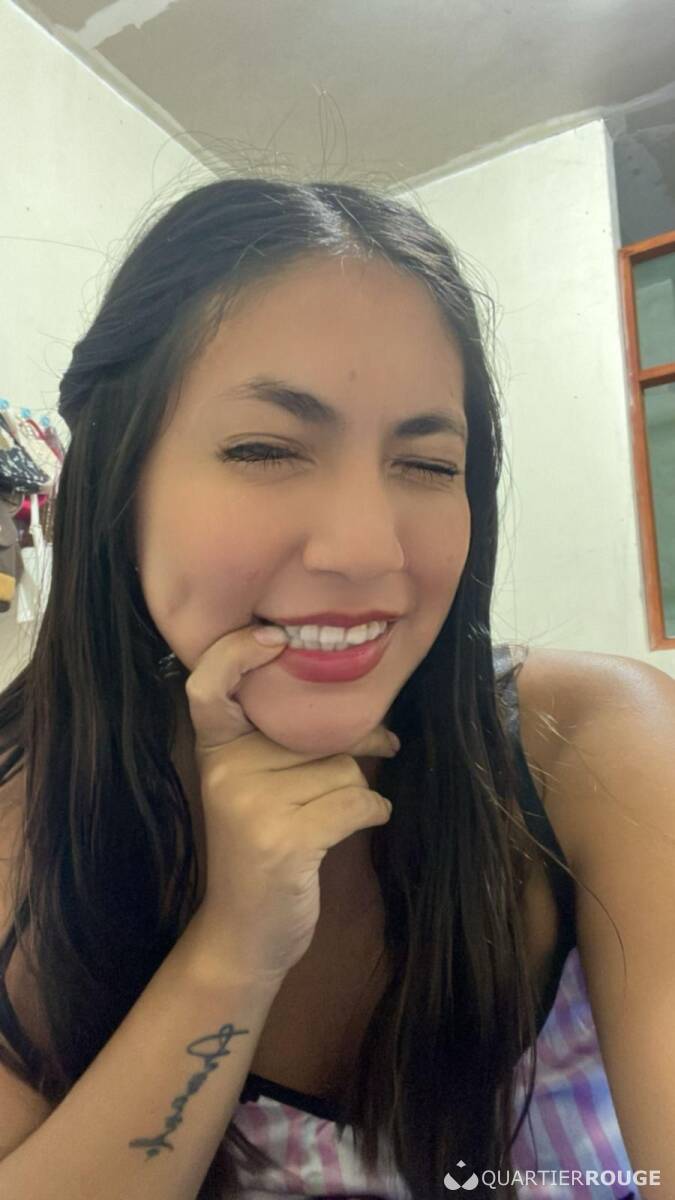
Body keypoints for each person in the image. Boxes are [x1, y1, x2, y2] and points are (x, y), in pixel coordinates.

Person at [0, 177, 672, 1200]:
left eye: (427, 464)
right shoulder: (24, 822)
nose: (367, 551)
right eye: (266, 449)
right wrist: (237, 944)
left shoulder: (597, 747)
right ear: (117, 479)